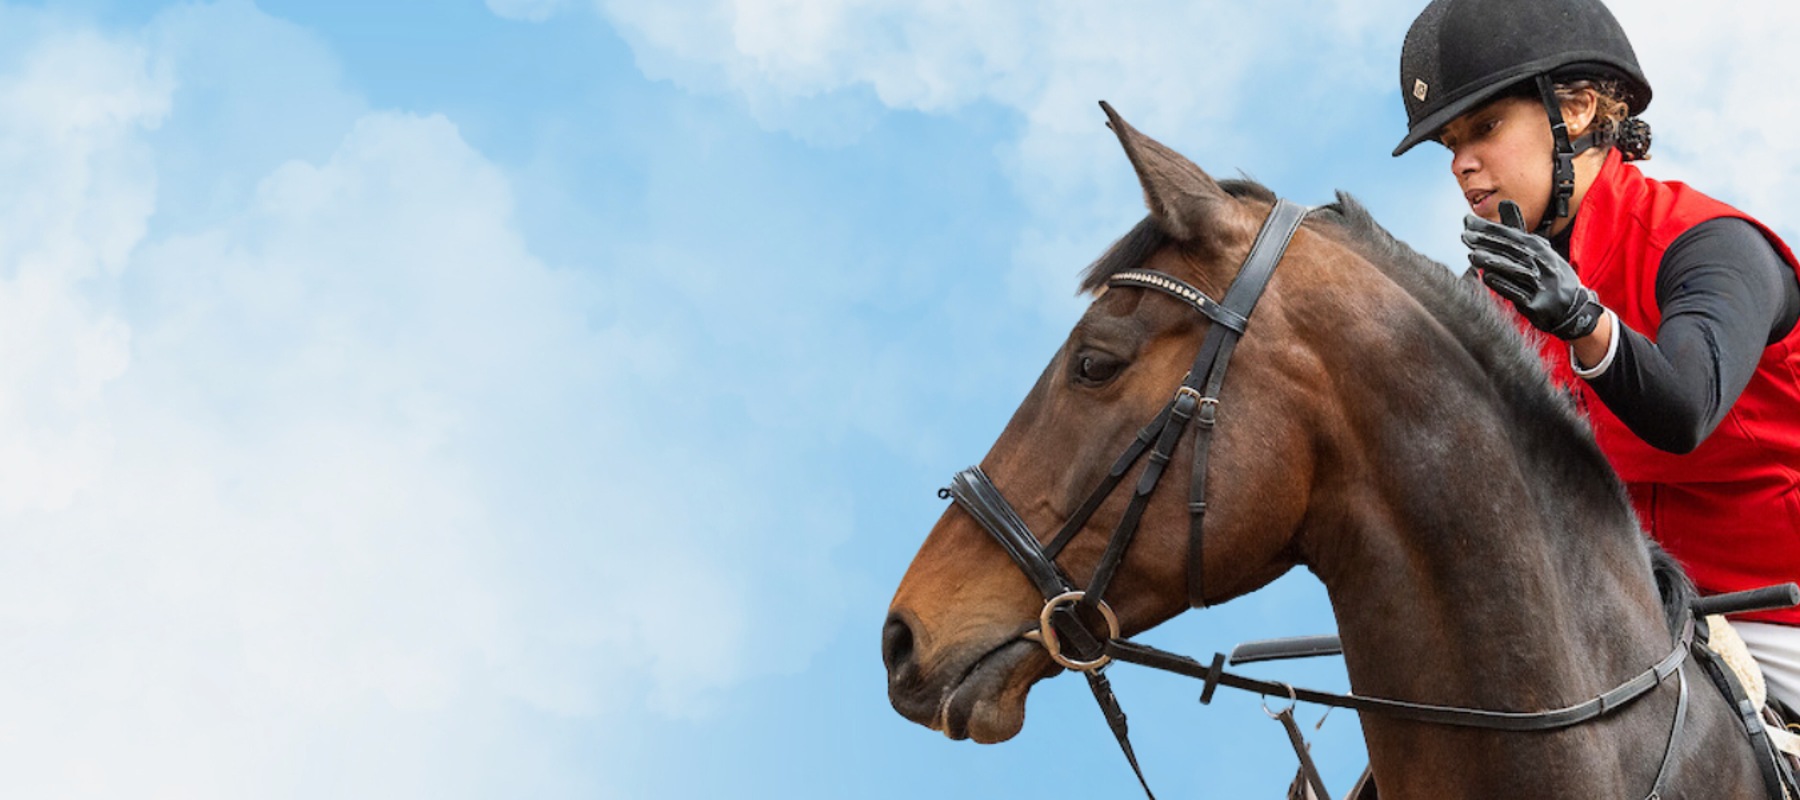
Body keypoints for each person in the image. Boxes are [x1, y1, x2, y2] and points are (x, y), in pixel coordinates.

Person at [1393, 0, 1800, 714]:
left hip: (1781, 613)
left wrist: (1581, 318)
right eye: (1449, 144)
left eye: (1484, 128)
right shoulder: (1494, 293)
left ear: (1577, 109)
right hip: (1633, 612)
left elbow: (1682, 409)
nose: (1462, 164)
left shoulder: (1711, 247)